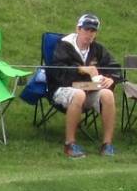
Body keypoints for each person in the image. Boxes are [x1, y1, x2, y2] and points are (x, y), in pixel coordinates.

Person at [47, 13, 121, 158]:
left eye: (93, 31)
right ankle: (70, 144)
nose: (89, 34)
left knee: (108, 94)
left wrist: (112, 79)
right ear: (78, 29)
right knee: (78, 94)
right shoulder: (63, 46)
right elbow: (57, 73)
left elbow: (115, 67)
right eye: (86, 29)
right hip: (62, 90)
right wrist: (80, 69)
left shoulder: (98, 49)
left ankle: (107, 144)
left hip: (89, 89)